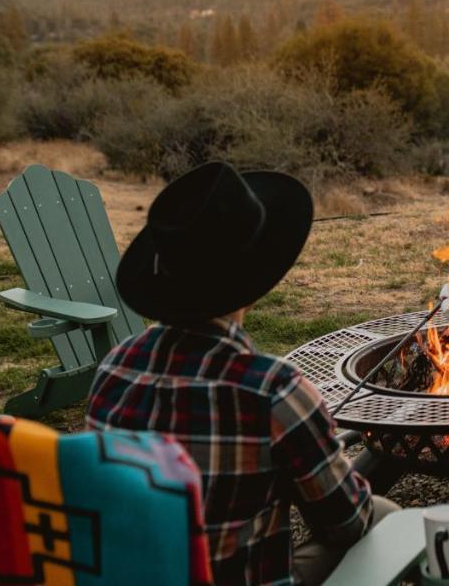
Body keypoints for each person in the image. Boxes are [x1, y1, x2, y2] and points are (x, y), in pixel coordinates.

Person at [86, 161, 394, 584]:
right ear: (259, 270)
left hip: (140, 573)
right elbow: (345, 522)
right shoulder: (273, 392)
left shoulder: (115, 369)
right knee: (387, 516)